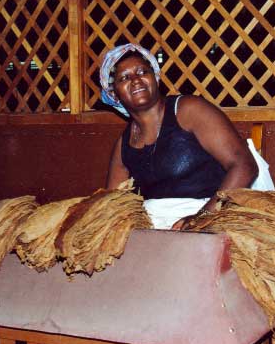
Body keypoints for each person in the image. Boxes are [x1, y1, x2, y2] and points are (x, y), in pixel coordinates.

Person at [100, 44, 264, 230]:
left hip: (212, 217)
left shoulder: (188, 110)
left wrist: (201, 218)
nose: (136, 80)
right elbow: (112, 204)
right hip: (155, 229)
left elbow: (245, 166)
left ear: (155, 77)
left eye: (142, 71)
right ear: (113, 94)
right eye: (125, 77)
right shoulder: (124, 144)